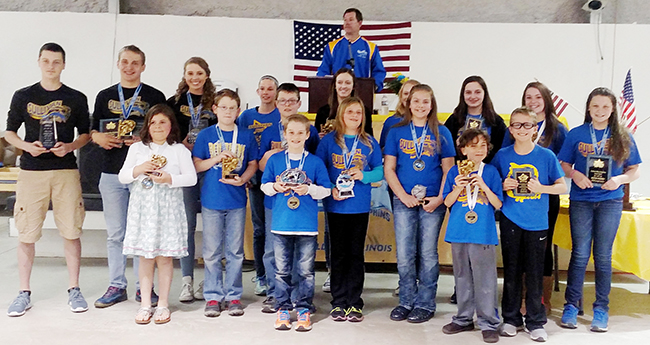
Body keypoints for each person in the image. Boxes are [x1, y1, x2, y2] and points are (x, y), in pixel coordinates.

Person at [6, 42, 91, 316]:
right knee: (27, 233)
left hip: (65, 170)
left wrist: (70, 147)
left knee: (71, 231)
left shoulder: (76, 97)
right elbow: (9, 132)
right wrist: (25, 146)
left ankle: (74, 289)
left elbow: (86, 134)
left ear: (64, 65)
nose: (51, 66)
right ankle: (23, 292)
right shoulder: (22, 95)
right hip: (31, 172)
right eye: (46, 61)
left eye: (56, 62)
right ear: (39, 62)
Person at [558, 87, 641, 332]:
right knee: (580, 254)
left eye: (605, 106)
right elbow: (563, 164)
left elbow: (635, 170)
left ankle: (601, 308)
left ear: (613, 109)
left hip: (610, 201)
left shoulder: (622, 135)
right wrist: (574, 174)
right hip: (581, 200)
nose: (600, 111)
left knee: (603, 256)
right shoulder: (576, 134)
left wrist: (619, 180)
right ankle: (571, 305)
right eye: (596, 106)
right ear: (588, 108)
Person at [91, 45, 166, 308]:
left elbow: (164, 133)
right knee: (116, 234)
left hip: (144, 173)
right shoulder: (105, 95)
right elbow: (93, 131)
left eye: (135, 63)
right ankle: (116, 285)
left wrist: (143, 139)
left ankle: (143, 288)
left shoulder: (155, 95)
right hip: (112, 172)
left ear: (143, 66)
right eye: (125, 62)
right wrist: (97, 137)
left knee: (145, 232)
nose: (129, 67)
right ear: (118, 64)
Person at [491, 107, 566, 342]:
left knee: (534, 273)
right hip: (511, 219)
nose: (521, 129)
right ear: (510, 129)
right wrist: (502, 186)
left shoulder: (546, 156)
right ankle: (511, 318)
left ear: (535, 129)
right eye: (516, 125)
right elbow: (492, 183)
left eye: (527, 125)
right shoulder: (502, 156)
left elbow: (562, 186)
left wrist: (541, 188)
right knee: (512, 270)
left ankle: (535, 321)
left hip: (537, 222)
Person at [118, 104, 197, 324]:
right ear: (147, 126)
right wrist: (139, 168)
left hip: (168, 209)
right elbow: (123, 177)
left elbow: (191, 178)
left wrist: (169, 179)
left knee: (164, 258)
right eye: (153, 122)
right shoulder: (137, 149)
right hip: (143, 209)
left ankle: (163, 304)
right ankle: (145, 305)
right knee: (145, 257)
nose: (158, 126)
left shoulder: (178, 150)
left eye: (163, 122)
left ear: (171, 124)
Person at [384, 84, 455, 323]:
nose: (421, 106)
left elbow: (449, 170)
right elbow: (389, 169)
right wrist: (402, 196)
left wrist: (440, 198)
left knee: (428, 254)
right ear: (408, 103)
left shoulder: (442, 132)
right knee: (404, 254)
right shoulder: (396, 131)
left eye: (426, 101)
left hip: (433, 201)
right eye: (416, 101)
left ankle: (425, 303)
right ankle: (406, 300)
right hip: (404, 199)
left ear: (432, 104)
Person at [261, 114, 331, 331]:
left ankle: (303, 308)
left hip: (306, 226)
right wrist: (276, 187)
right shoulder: (275, 160)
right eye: (291, 132)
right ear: (284, 134)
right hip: (281, 224)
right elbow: (264, 186)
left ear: (307, 135)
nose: (295, 136)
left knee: (306, 271)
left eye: (300, 132)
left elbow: (326, 189)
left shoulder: (315, 162)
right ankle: (282, 308)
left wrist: (309, 189)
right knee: (281, 270)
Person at [502, 81, 568, 314]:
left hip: (544, 196)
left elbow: (564, 162)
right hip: (516, 199)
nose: (533, 101)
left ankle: (541, 300)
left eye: (538, 97)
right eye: (529, 97)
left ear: (546, 101)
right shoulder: (517, 126)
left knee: (542, 247)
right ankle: (519, 300)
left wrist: (543, 183)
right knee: (517, 249)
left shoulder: (557, 128)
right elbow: (501, 163)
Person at [315, 97, 383, 322]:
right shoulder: (328, 142)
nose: (355, 116)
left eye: (359, 113)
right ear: (341, 115)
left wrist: (364, 175)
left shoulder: (369, 142)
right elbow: (320, 170)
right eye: (350, 112)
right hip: (335, 205)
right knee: (338, 254)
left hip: (359, 207)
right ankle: (338, 301)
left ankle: (354, 302)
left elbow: (380, 172)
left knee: (355, 255)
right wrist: (331, 187)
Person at [193, 89, 258, 318]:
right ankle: (212, 295)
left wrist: (244, 179)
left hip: (237, 201)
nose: (228, 111)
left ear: (238, 111)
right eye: (224, 107)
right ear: (215, 109)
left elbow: (252, 163)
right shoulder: (206, 135)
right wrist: (217, 158)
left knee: (235, 251)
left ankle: (233, 296)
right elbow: (197, 165)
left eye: (232, 108)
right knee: (211, 252)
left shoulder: (246, 135)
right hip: (211, 199)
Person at [257, 82, 320, 313]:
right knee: (273, 250)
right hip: (276, 199)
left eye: (291, 101)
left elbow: (313, 163)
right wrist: (275, 155)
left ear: (298, 103)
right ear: (276, 103)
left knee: (299, 256)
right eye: (282, 100)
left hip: (302, 204)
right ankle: (276, 295)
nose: (286, 104)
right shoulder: (268, 131)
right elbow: (261, 165)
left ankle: (298, 296)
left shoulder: (306, 131)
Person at [441, 128, 502, 343]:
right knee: (462, 277)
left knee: (485, 279)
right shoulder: (454, 172)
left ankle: (489, 322)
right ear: (463, 149)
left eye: (483, 145)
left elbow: (498, 204)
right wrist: (457, 187)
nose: (479, 149)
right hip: (458, 232)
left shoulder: (491, 172)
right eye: (473, 145)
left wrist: (483, 186)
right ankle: (463, 318)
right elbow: (447, 202)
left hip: (483, 234)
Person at [167, 57, 217, 303]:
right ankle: (187, 281)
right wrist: (181, 145)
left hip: (210, 171)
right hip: (184, 172)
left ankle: (209, 281)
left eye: (199, 73)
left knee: (212, 227)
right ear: (184, 75)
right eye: (190, 73)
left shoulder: (217, 103)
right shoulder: (173, 103)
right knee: (187, 227)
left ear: (206, 75)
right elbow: (165, 134)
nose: (195, 78)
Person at [237, 75, 281, 297]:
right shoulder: (246, 116)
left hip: (277, 180)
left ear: (276, 92)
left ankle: (278, 276)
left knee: (276, 230)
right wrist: (246, 174)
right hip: (254, 178)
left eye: (270, 89)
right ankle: (261, 275)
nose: (266, 92)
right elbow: (240, 146)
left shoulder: (280, 115)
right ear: (257, 91)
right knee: (259, 228)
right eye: (262, 88)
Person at [316, 8, 386, 92]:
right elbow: (323, 70)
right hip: (337, 93)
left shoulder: (370, 47)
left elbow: (379, 71)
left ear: (359, 23)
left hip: (362, 93)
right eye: (345, 20)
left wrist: (374, 87)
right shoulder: (332, 46)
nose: (347, 23)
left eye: (351, 20)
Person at [444, 76, 507, 163]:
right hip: (459, 170)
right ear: (463, 95)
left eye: (477, 92)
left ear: (484, 94)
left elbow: (500, 151)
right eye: (468, 92)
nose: (473, 96)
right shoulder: (453, 120)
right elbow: (446, 149)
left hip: (487, 170)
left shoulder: (496, 122)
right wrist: (458, 147)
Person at [315, 68, 373, 137]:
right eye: (339, 82)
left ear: (353, 86)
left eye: (348, 83)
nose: (343, 86)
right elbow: (316, 140)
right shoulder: (323, 112)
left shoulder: (364, 111)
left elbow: (369, 139)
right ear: (335, 86)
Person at [379, 79, 420, 150]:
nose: (408, 97)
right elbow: (382, 148)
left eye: (411, 93)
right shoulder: (391, 122)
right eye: (405, 93)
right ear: (400, 96)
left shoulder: (427, 122)